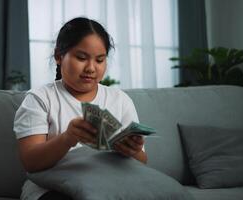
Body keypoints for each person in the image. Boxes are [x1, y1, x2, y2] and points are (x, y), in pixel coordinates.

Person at [13, 17, 147, 200]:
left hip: (109, 186)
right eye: (81, 58)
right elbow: (31, 162)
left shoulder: (120, 100)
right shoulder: (40, 99)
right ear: (59, 56)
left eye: (100, 60)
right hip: (52, 188)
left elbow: (142, 163)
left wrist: (131, 151)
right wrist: (68, 138)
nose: (91, 68)